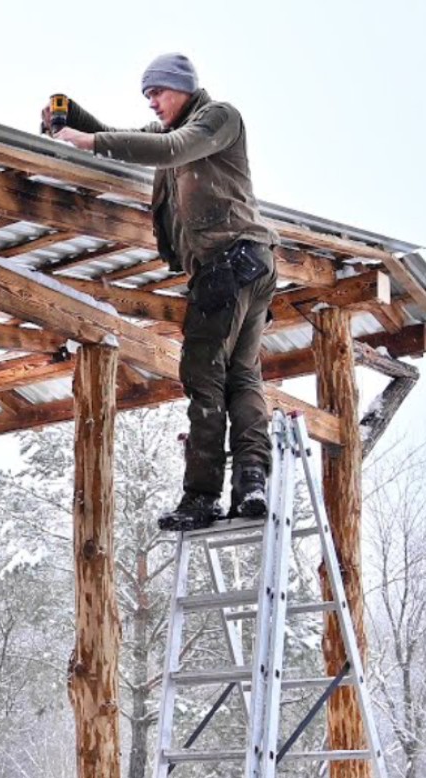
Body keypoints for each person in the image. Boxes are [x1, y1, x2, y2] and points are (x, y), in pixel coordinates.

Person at [48, 55, 279, 531]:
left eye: (157, 92)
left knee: (203, 375)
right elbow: (124, 139)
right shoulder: (174, 132)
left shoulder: (217, 118)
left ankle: (202, 496)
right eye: (146, 96)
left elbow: (172, 148)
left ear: (184, 88)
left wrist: (87, 139)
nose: (152, 102)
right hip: (248, 265)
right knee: (242, 375)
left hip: (229, 262)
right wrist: (72, 117)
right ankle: (252, 481)